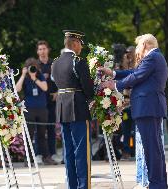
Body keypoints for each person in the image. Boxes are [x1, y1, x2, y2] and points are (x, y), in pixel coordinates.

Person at [100, 34, 168, 189]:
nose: (137, 51)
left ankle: (157, 185)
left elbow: (137, 76)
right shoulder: (155, 58)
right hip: (149, 107)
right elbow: (134, 73)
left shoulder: (152, 58)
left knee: (152, 150)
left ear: (144, 45)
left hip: (148, 108)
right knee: (154, 149)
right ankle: (159, 184)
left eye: (138, 47)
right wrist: (113, 73)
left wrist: (115, 85)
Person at [51, 30, 94, 189]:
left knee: (68, 152)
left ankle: (73, 186)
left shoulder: (55, 62)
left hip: (62, 108)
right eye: (80, 44)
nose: (81, 47)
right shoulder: (78, 61)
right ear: (75, 43)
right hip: (78, 107)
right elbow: (88, 89)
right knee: (82, 151)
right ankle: (84, 186)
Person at [16, 57, 56, 165]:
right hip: (29, 109)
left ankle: (46, 157)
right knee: (29, 134)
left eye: (34, 67)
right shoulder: (25, 77)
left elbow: (45, 88)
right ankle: (28, 159)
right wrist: (24, 74)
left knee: (42, 134)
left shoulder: (40, 75)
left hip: (42, 109)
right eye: (30, 67)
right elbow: (17, 89)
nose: (33, 69)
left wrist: (35, 78)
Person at [36, 40, 58, 164]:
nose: (42, 51)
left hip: (51, 100)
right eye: (40, 49)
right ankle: (39, 154)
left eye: (44, 49)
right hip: (39, 101)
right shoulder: (35, 66)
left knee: (51, 128)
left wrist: (58, 92)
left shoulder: (54, 64)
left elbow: (61, 79)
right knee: (39, 129)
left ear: (48, 50)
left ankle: (52, 154)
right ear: (37, 51)